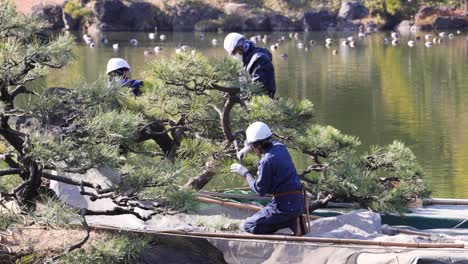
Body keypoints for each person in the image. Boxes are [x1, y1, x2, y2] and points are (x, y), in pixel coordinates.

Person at [230, 121, 307, 235]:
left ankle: (290, 221)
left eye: (252, 146)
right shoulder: (280, 146)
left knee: (249, 225)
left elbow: (260, 190)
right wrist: (248, 147)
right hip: (298, 202)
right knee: (264, 216)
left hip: (284, 206)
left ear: (258, 145)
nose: (252, 148)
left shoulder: (266, 161)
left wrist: (245, 173)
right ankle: (292, 219)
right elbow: (262, 141)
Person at [223, 33, 276, 98]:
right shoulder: (246, 62)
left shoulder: (259, 59)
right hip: (251, 102)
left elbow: (259, 90)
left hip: (262, 104)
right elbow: (244, 86)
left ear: (241, 47)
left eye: (234, 53)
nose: (234, 56)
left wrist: (240, 96)